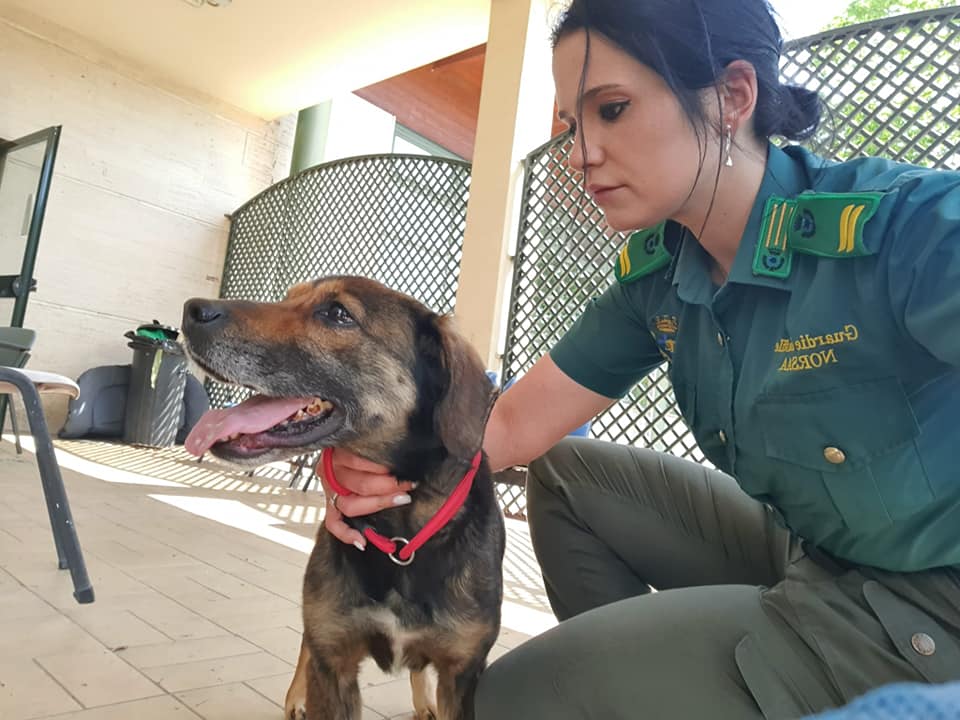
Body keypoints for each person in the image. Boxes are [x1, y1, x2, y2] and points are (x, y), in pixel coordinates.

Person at [318, 0, 960, 716]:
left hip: (930, 603)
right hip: (811, 554)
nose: (581, 152)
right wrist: (370, 465)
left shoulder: (904, 232)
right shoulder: (661, 279)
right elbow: (501, 431)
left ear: (732, 97)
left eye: (613, 109)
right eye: (572, 124)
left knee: (509, 703)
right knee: (568, 476)